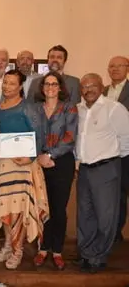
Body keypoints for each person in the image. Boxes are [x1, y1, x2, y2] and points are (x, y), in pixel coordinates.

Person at [0, 69, 49, 270]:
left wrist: (30, 157)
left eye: (12, 83)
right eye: (5, 82)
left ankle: (18, 249)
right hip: (1, 166)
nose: (7, 86)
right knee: (4, 208)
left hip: (23, 165)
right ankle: (7, 244)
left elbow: (40, 135)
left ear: (20, 86)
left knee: (19, 210)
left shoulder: (28, 108)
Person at [76, 73, 129, 273]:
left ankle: (98, 256)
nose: (88, 90)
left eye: (92, 86)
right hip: (84, 170)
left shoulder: (114, 108)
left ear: (101, 86)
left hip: (106, 168)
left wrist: (111, 159)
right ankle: (86, 253)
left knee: (106, 217)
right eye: (84, 86)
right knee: (85, 216)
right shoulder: (78, 109)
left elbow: (126, 139)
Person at [33, 71, 78, 270]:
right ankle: (43, 248)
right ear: (42, 88)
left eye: (54, 84)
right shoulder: (35, 109)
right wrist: (39, 156)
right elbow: (30, 135)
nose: (50, 87)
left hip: (62, 163)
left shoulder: (69, 107)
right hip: (39, 163)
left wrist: (50, 155)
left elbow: (70, 137)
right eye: (47, 84)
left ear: (60, 87)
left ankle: (57, 250)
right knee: (43, 207)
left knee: (58, 208)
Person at [104, 56, 129, 242]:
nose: (115, 69)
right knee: (108, 193)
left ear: (127, 68)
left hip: (126, 152)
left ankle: (117, 231)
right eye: (112, 66)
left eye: (119, 66)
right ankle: (107, 230)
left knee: (121, 192)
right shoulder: (102, 91)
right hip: (105, 152)